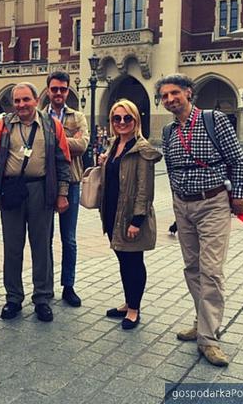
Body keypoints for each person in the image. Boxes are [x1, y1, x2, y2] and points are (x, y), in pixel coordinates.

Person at [158, 73, 243, 367]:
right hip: (183, 206)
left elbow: (237, 160)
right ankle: (203, 320)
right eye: (164, 96)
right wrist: (176, 203)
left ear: (189, 92)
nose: (170, 99)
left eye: (174, 93)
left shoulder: (214, 120)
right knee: (192, 268)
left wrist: (238, 196)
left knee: (211, 271)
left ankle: (208, 339)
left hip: (213, 204)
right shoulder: (169, 131)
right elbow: (171, 169)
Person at [0, 82, 71, 323]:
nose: (21, 105)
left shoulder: (52, 125)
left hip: (41, 190)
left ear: (35, 100)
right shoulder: (2, 126)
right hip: (11, 191)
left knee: (41, 246)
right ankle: (13, 297)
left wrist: (62, 194)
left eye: (26, 100)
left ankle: (42, 298)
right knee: (12, 247)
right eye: (17, 101)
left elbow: (63, 161)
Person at [99, 100, 161, 330]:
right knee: (123, 260)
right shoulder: (115, 144)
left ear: (136, 120)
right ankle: (128, 302)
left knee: (134, 262)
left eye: (127, 118)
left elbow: (145, 188)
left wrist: (137, 220)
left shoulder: (141, 148)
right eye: (117, 118)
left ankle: (134, 309)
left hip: (131, 216)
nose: (122, 122)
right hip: (114, 213)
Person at [45, 71, 88, 307]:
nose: (59, 93)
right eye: (55, 89)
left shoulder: (77, 116)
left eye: (63, 89)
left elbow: (82, 145)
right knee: (45, 239)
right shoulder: (41, 117)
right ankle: (47, 285)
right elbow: (38, 145)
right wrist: (68, 141)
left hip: (71, 183)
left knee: (69, 239)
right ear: (48, 91)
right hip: (45, 183)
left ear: (68, 90)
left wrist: (53, 140)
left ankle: (68, 286)